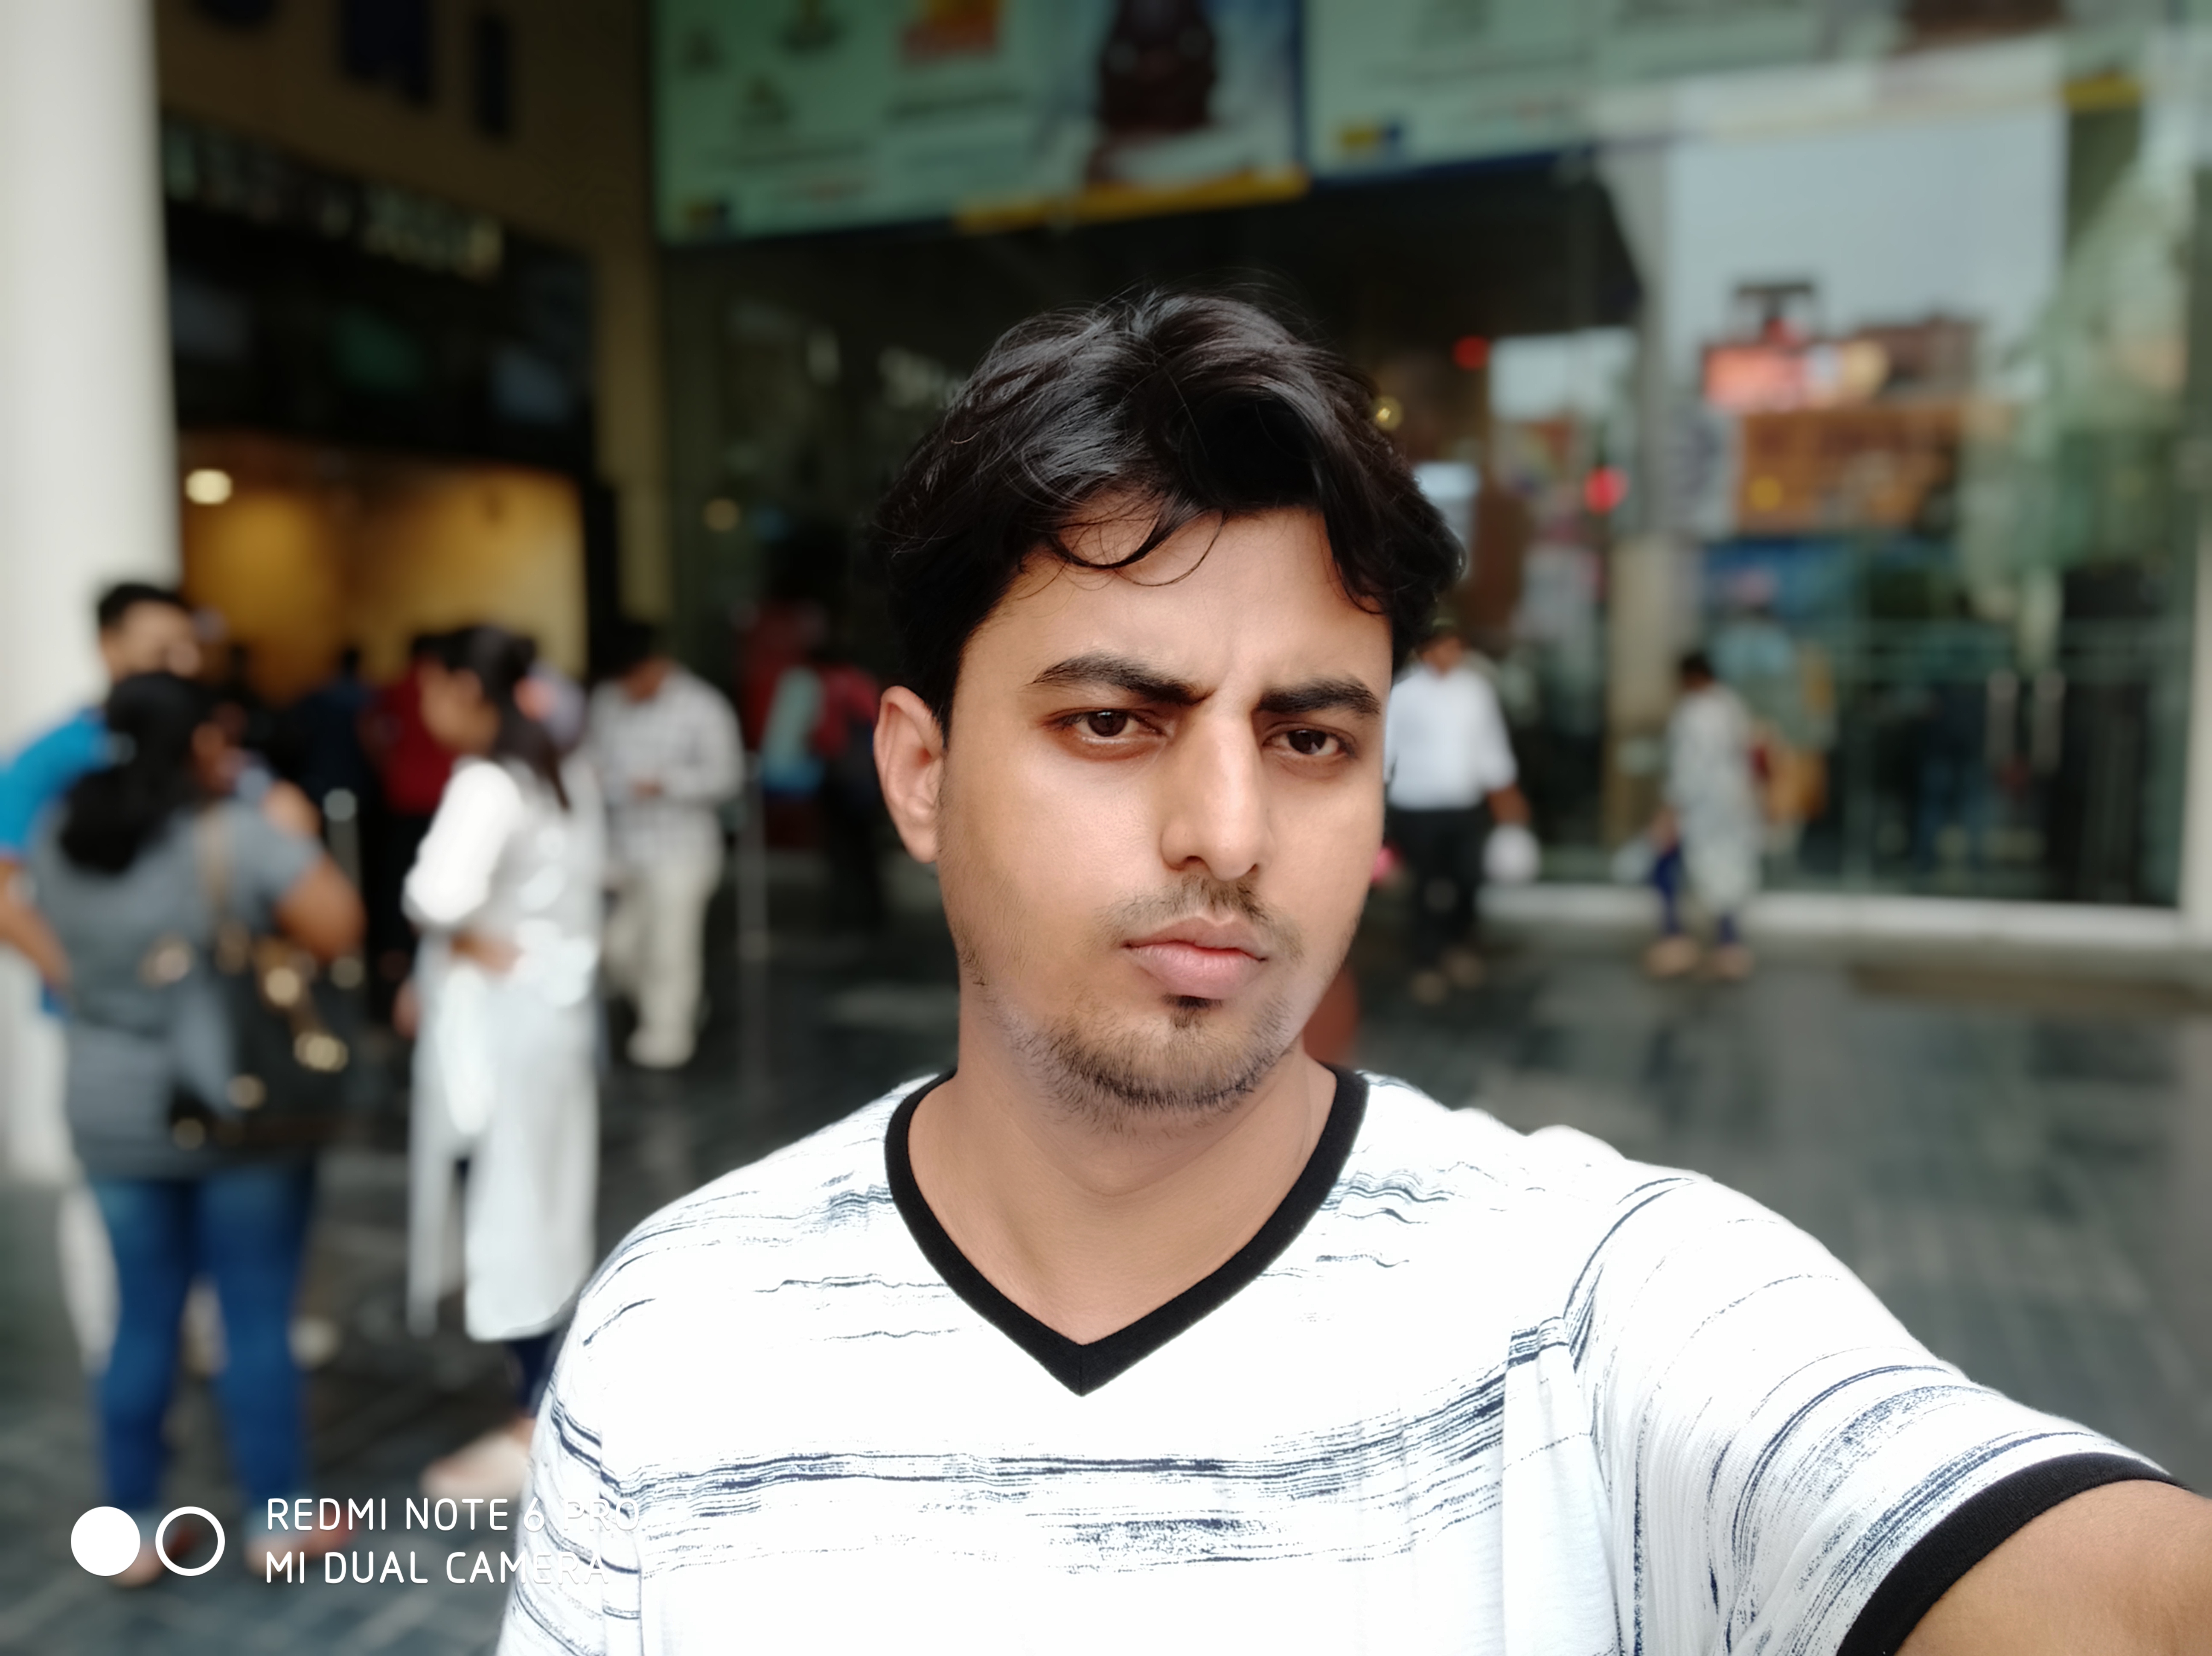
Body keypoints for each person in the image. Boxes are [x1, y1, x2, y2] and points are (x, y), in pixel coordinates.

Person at [501, 293, 2211, 1655]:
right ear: (920, 772)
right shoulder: (679, 1340)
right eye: (1115, 721)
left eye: (1310, 737)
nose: (1229, 832)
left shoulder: (1592, 1322)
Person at [25, 672, 363, 1583]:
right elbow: (338, 926)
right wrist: (290, 838)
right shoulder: (235, 833)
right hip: (233, 1105)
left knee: (140, 1318)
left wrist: (94, 990)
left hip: (108, 1102)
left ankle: (132, 1529)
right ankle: (278, 1520)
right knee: (253, 1312)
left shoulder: (64, 829)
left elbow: (36, 921)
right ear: (200, 742)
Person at [405, 626, 603, 1501]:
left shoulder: (486, 782)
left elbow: (434, 893)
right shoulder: (561, 768)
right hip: (551, 1013)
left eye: (430, 689)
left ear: (463, 687)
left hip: (495, 1028)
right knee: (545, 1203)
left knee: (507, 1209)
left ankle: (533, 1419)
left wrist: (458, 940)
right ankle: (543, 1397)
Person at [0, 582, 205, 1376]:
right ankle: (113, 1347)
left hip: (202, 1019)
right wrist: (79, 975)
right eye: (160, 650)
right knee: (110, 1198)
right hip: (105, 1028)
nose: (179, 664)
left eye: (188, 649)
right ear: (110, 648)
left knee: (214, 1180)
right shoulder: (55, 757)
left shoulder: (202, 746)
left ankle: (205, 1335)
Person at [585, 621, 741, 1069]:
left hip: (683, 850)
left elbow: (728, 777)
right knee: (617, 949)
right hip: (625, 849)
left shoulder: (703, 706)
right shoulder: (607, 702)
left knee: (671, 949)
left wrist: (667, 784)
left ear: (656, 665)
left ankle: (669, 1037)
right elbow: (592, 758)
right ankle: (679, 1006)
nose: (628, 689)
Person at [1382, 621, 1530, 1002]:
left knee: (1468, 878)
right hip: (1416, 805)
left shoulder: (1475, 690)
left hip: (1464, 803)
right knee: (1427, 887)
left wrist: (1507, 798)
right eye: (1441, 648)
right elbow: (1385, 748)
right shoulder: (1403, 691)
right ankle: (1426, 961)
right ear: (1425, 651)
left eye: (1455, 648)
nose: (1449, 656)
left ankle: (1458, 947)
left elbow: (1491, 746)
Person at [1648, 649, 1763, 980]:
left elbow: (1689, 769)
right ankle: (1729, 945)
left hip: (1700, 808)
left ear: (1691, 677)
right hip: (1733, 805)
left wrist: (1670, 811)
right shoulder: (1732, 705)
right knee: (1727, 873)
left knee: (1664, 866)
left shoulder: (1694, 712)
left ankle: (1675, 938)